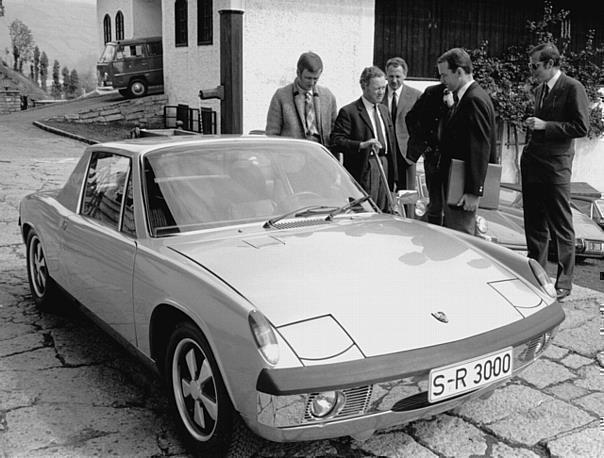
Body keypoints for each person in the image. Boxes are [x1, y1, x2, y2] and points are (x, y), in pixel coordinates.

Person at [522, 43, 589, 300]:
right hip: (534, 165)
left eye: (535, 66)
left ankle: (565, 281)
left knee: (561, 224)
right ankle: (537, 274)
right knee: (534, 224)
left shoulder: (573, 87)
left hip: (556, 167)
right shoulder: (540, 90)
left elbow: (581, 127)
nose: (532, 70)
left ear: (550, 64)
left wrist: (545, 125)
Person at [436, 48, 497, 234]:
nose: (442, 80)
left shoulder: (473, 100)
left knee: (461, 238)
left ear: (460, 72)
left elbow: (479, 147)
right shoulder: (466, 98)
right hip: (458, 184)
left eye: (445, 75)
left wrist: (473, 191)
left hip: (462, 190)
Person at [331, 66, 397, 211]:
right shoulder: (349, 112)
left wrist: (395, 178)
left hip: (384, 168)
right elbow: (336, 141)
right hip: (364, 170)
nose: (381, 92)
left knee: (384, 213)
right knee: (364, 211)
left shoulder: (384, 111)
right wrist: (361, 145)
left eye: (383, 88)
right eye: (376, 89)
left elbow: (391, 144)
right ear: (364, 86)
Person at [265, 51, 337, 147]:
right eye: (308, 78)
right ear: (298, 73)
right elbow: (272, 134)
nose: (312, 83)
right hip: (292, 156)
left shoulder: (328, 96)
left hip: (320, 156)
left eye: (315, 79)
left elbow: (334, 134)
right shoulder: (281, 96)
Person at [406, 82, 452, 225]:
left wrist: (452, 107)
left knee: (452, 209)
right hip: (433, 158)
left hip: (453, 161)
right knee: (435, 206)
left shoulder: (465, 95)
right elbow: (411, 118)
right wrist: (423, 147)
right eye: (441, 75)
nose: (444, 79)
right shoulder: (432, 92)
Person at [382, 57, 421, 193]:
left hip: (406, 154)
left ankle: (406, 215)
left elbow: (421, 126)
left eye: (398, 76)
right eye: (391, 76)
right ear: (386, 75)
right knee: (385, 192)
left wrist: (416, 150)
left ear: (405, 75)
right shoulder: (379, 94)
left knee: (407, 195)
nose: (394, 80)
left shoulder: (416, 96)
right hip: (385, 152)